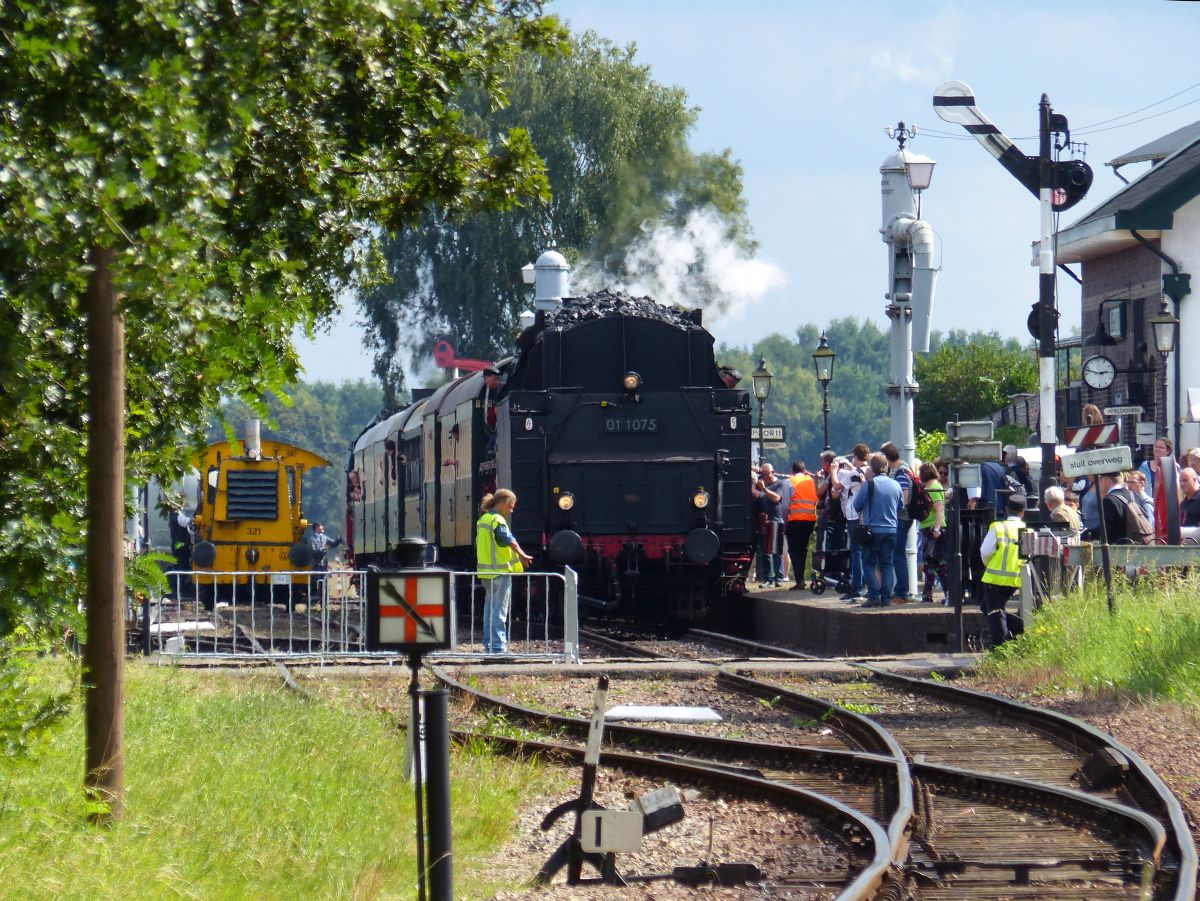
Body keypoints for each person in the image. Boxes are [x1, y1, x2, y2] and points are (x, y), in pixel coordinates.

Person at [475, 490, 533, 654]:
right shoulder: (497, 520)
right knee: (499, 612)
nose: (511, 511)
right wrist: (522, 554)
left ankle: (489, 646)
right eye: (510, 506)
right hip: (500, 574)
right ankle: (498, 648)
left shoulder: (483, 520)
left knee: (489, 612)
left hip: (486, 574)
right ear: (502, 503)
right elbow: (508, 539)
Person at [852, 453, 902, 608]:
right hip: (892, 530)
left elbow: (856, 505)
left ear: (872, 468)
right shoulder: (896, 485)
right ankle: (886, 598)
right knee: (887, 564)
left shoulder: (869, 484)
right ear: (886, 467)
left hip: (873, 530)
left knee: (868, 564)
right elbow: (900, 507)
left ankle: (873, 596)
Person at [979, 494, 1028, 647]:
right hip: (1016, 578)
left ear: (1006, 509)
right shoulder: (1027, 529)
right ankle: (1022, 628)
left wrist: (989, 564)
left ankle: (1001, 646)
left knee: (995, 612)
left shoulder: (998, 527)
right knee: (986, 607)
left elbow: (985, 551)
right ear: (1023, 512)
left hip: (995, 577)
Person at [881, 442, 917, 603]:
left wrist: (891, 510)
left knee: (898, 555)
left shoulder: (901, 471)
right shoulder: (902, 468)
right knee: (898, 555)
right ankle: (901, 590)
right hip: (902, 517)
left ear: (886, 458)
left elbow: (904, 498)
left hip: (902, 518)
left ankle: (902, 592)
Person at [836, 444, 870, 601]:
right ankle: (864, 585)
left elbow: (837, 487)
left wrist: (832, 470)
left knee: (856, 552)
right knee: (865, 552)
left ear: (855, 456)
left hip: (853, 515)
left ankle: (856, 589)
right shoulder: (869, 471)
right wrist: (851, 465)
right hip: (867, 515)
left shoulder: (852, 474)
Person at [755, 463, 791, 587]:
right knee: (765, 551)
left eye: (766, 474)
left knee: (777, 551)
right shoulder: (760, 483)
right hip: (763, 520)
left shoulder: (780, 484)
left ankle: (779, 578)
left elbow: (776, 498)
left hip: (776, 519)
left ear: (773, 472)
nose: (764, 477)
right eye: (762, 474)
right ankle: (768, 578)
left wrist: (764, 489)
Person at [786, 460, 818, 590]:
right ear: (804, 471)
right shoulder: (810, 481)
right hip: (810, 519)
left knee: (793, 550)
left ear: (793, 471)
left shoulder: (790, 481)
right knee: (803, 549)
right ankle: (801, 579)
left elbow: (785, 504)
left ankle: (800, 580)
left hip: (794, 520)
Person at [918, 462, 947, 603]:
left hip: (933, 529)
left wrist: (936, 529)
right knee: (932, 562)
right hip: (928, 528)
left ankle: (946, 593)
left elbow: (939, 509)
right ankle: (928, 594)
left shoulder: (934, 487)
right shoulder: (931, 486)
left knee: (937, 562)